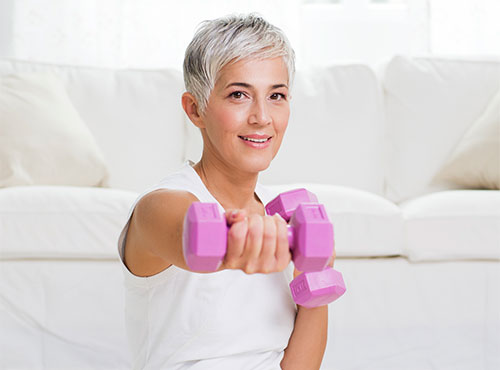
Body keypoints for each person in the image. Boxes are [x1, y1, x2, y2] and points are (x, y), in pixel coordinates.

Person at [118, 13, 332, 370]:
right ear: (195, 109)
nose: (262, 117)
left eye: (276, 95)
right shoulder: (158, 207)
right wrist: (249, 241)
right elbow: (195, 237)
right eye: (238, 95)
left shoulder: (282, 219)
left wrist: (316, 276)